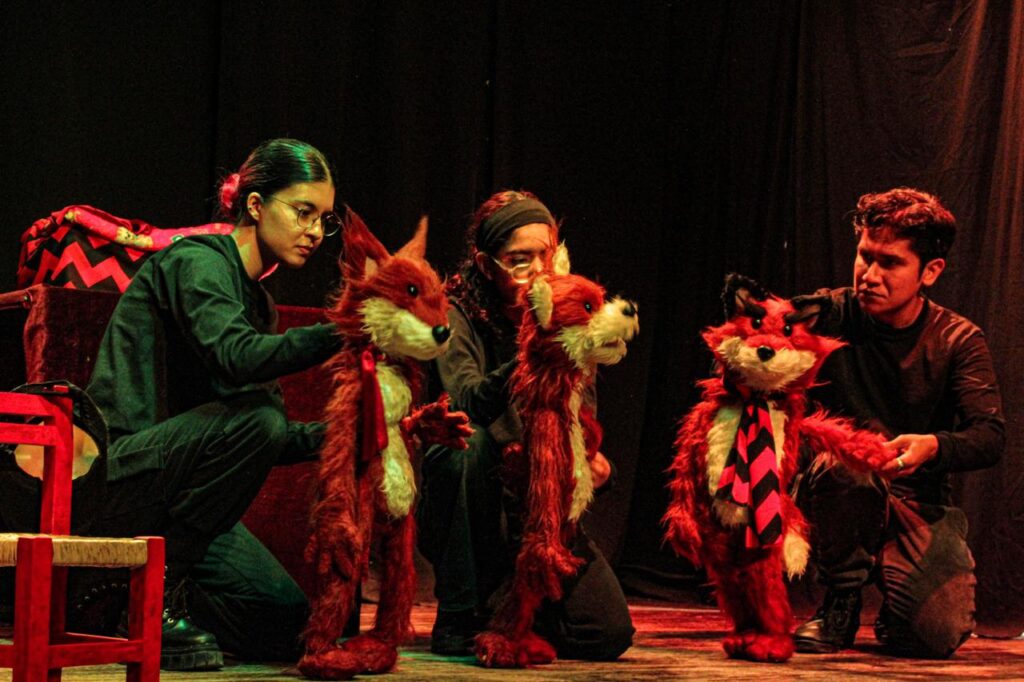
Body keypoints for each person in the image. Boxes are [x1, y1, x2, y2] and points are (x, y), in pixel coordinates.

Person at [1, 138, 343, 671]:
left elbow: (267, 437)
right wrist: (339, 331)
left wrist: (357, 431)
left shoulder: (258, 302)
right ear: (255, 205)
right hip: (119, 475)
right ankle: (155, 598)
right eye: (303, 212)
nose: (315, 232)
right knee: (258, 421)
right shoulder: (198, 263)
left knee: (283, 617)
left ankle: (119, 597)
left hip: (175, 493)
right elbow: (236, 359)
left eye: (324, 219)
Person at [415, 190, 635, 660]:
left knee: (607, 633)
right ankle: (461, 608)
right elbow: (467, 402)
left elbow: (581, 421)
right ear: (486, 263)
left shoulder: (572, 319)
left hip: (539, 509)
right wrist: (534, 345)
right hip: (478, 506)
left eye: (546, 256)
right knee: (461, 448)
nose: (538, 272)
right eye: (519, 260)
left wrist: (597, 465)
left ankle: (505, 605)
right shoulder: (456, 316)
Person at [792, 187, 1005, 658]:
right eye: (865, 256)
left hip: (916, 498)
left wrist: (933, 445)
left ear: (930, 271)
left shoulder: (957, 339)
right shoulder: (831, 314)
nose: (869, 275)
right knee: (846, 464)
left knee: (932, 636)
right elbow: (755, 333)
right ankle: (842, 598)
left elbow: (990, 437)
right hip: (838, 486)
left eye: (890, 263)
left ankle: (899, 601)